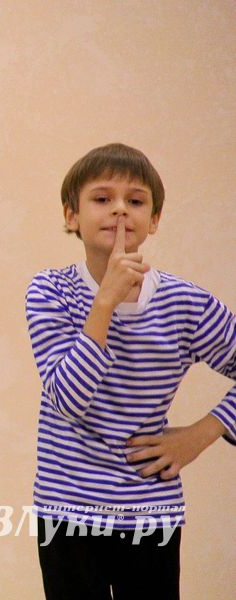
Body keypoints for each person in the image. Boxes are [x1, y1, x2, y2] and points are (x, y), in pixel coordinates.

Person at [24, 142, 235, 600]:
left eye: (135, 201)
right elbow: (68, 398)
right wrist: (105, 303)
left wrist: (202, 432)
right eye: (102, 199)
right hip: (67, 511)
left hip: (151, 513)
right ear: (71, 216)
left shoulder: (187, 304)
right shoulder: (50, 292)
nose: (119, 210)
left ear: (154, 221)